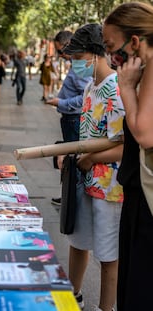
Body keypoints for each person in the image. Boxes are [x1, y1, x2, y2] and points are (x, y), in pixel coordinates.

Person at [62, 23, 125, 311]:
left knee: (109, 255)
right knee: (79, 240)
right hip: (86, 180)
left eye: (78, 56)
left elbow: (125, 146)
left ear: (96, 53)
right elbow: (89, 135)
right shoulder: (91, 86)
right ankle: (71, 296)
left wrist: (89, 159)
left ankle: (106, 308)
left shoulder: (116, 89)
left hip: (111, 188)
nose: (75, 62)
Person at [103, 3, 153, 310]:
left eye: (111, 45)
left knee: (139, 290)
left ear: (133, 42)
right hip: (140, 194)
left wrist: (125, 86)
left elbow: (144, 133)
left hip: (147, 200)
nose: (111, 55)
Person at [45, 31, 92, 206]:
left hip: (74, 118)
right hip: (70, 119)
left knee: (72, 160)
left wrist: (61, 103)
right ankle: (68, 195)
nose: (61, 55)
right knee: (68, 159)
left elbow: (85, 96)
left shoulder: (81, 68)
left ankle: (72, 197)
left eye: (60, 51)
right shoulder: (75, 66)